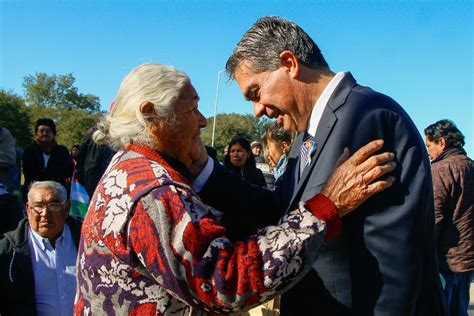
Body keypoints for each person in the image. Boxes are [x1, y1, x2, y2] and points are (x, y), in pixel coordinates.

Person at [74, 63, 395, 315]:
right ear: (151, 115)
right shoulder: (153, 192)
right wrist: (325, 208)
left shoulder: (129, 168)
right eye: (192, 109)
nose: (202, 121)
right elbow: (226, 281)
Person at [196, 16, 443, 315]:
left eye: (256, 92)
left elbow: (395, 268)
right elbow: (278, 208)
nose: (257, 109)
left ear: (289, 63)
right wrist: (202, 170)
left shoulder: (367, 117)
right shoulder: (305, 135)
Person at [0, 181, 82, 315]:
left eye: (53, 205)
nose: (45, 213)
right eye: (38, 206)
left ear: (67, 208)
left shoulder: (87, 241)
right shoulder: (9, 252)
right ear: (28, 209)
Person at [425, 119, 473, 316]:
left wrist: (423, 252)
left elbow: (434, 217)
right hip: (467, 258)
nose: (427, 151)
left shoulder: (440, 170)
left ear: (441, 142)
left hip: (445, 260)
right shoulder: (471, 166)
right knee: (459, 309)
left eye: (429, 145)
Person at [22, 118, 73, 200]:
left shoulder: (62, 151)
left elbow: (67, 171)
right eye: (41, 131)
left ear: (53, 134)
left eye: (48, 131)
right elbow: (28, 172)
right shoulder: (29, 151)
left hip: (57, 191)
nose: (44, 133)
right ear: (36, 134)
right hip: (34, 191)